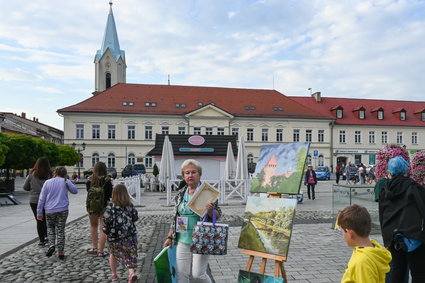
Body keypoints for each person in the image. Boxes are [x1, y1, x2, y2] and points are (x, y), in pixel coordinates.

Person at [163, 159, 222, 283]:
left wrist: (211, 211)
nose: (190, 175)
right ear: (183, 176)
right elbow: (176, 216)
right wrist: (170, 236)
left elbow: (218, 214)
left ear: (199, 174)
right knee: (181, 275)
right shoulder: (180, 193)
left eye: (193, 172)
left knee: (198, 275)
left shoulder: (206, 192)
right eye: (187, 173)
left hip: (201, 238)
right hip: (182, 238)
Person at [379, 156, 425, 282]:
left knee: (397, 270)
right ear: (406, 169)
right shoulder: (414, 187)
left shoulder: (385, 189)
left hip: (393, 237)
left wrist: (386, 240)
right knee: (418, 273)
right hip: (414, 236)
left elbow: (382, 215)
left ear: (390, 171)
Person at [338, 204, 391, 283]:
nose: (343, 236)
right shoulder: (374, 250)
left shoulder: (362, 262)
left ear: (350, 233)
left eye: (342, 232)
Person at [36, 166, 78, 259]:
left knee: (50, 228)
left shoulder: (47, 182)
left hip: (49, 210)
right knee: (60, 230)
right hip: (62, 210)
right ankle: (61, 252)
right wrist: (67, 181)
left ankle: (51, 245)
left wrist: (39, 212)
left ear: (55, 173)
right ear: (65, 173)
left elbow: (42, 198)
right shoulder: (65, 181)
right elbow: (75, 191)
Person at [103, 184, 139, 282]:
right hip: (129, 235)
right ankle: (131, 273)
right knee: (130, 255)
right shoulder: (129, 205)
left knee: (113, 254)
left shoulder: (109, 207)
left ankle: (114, 274)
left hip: (114, 237)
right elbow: (135, 217)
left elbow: (106, 222)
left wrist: (106, 231)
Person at [86, 161, 113, 257]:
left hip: (92, 207)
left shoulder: (89, 180)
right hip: (104, 206)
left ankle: (94, 247)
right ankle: (101, 251)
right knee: (103, 229)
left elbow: (88, 192)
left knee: (93, 227)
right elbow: (110, 195)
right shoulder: (107, 181)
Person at [23, 157, 52, 246]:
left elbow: (25, 187)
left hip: (34, 200)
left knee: (39, 219)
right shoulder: (50, 175)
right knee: (47, 219)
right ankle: (47, 236)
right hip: (47, 200)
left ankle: (41, 240)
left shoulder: (31, 175)